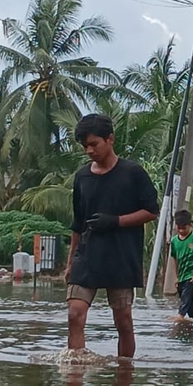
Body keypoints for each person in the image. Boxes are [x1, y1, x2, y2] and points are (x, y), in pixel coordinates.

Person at [64, 114, 159, 358]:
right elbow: (77, 222)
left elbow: (151, 211)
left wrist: (116, 221)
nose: (89, 151)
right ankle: (75, 378)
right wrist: (70, 260)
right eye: (85, 146)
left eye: (94, 144)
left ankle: (124, 375)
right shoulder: (82, 177)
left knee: (123, 321)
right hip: (86, 256)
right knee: (74, 314)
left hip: (121, 256)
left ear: (110, 140)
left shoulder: (133, 173)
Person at [169, 209, 193, 320]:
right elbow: (175, 259)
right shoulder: (174, 240)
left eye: (183, 228)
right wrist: (176, 277)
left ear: (189, 225)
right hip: (181, 275)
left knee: (186, 294)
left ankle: (180, 316)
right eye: (178, 228)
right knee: (187, 297)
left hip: (192, 274)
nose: (181, 231)